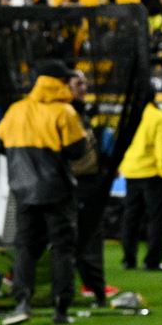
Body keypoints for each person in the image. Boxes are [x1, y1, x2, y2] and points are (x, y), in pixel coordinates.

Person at [0, 60, 88, 325]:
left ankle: (22, 302)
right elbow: (78, 150)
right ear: (58, 82)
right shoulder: (65, 111)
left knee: (25, 247)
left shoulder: (16, 110)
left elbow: (0, 140)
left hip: (23, 190)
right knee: (62, 248)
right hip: (57, 189)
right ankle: (61, 307)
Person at [119, 85, 162, 272]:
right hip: (153, 173)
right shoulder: (159, 117)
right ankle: (153, 260)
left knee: (131, 217)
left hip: (131, 172)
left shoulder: (129, 117)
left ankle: (128, 259)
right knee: (157, 218)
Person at [68, 69, 111, 307]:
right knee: (84, 234)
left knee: (87, 234)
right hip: (77, 181)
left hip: (87, 180)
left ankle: (90, 284)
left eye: (85, 83)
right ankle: (89, 286)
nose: (84, 87)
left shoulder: (82, 113)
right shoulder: (68, 113)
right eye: (78, 83)